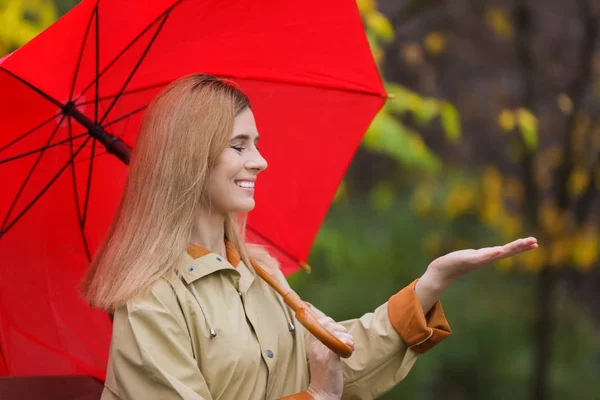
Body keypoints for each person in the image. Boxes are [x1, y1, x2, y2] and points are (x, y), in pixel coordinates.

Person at [81, 74, 538, 400]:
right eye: (239, 146)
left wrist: (430, 285)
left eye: (256, 144)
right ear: (190, 160)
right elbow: (322, 388)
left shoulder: (259, 271)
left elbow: (338, 365)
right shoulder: (150, 300)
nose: (260, 161)